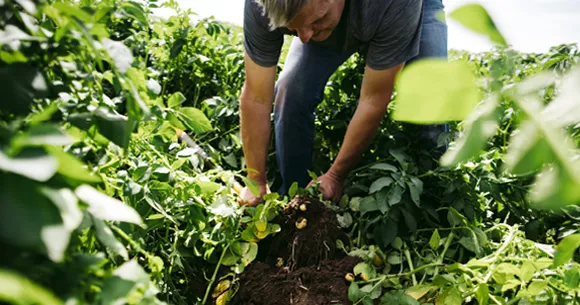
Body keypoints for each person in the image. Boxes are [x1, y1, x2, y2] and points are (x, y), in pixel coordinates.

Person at [239, 0, 448, 206]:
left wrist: (336, 175)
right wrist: (255, 181)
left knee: (428, 108)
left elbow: (373, 99)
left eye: (317, 21)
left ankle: (435, 205)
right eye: (292, 29)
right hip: (340, 11)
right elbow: (257, 98)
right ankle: (296, 200)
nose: (304, 38)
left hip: (407, 9)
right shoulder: (262, 5)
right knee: (291, 91)